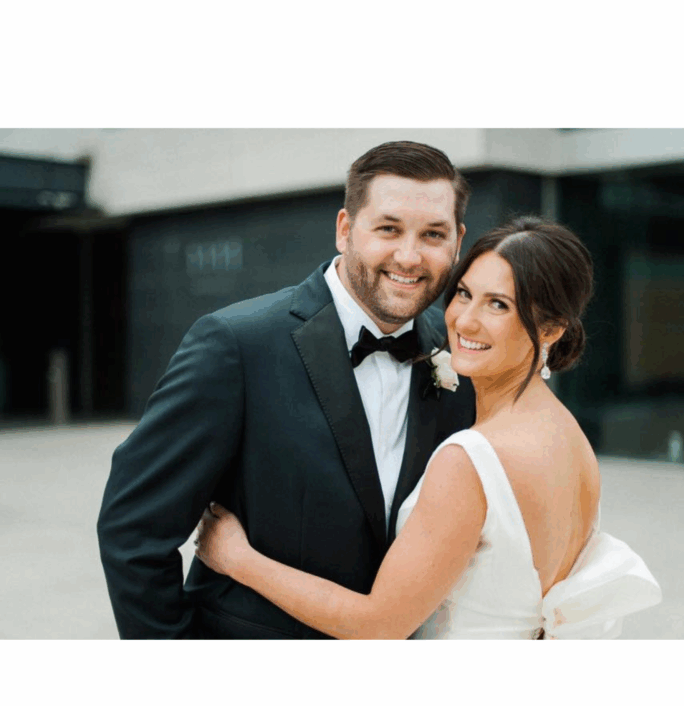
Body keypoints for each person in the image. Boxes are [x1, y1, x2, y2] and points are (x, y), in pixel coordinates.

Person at [195, 216, 662, 639]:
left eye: (498, 305)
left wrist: (238, 558)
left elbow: (378, 625)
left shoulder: (471, 459)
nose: (464, 320)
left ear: (551, 329)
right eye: (464, 293)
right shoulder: (568, 435)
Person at [97, 140, 476, 639]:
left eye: (433, 234)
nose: (409, 256)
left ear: (457, 241)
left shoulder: (463, 357)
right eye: (388, 228)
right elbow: (133, 530)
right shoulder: (235, 344)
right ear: (345, 229)